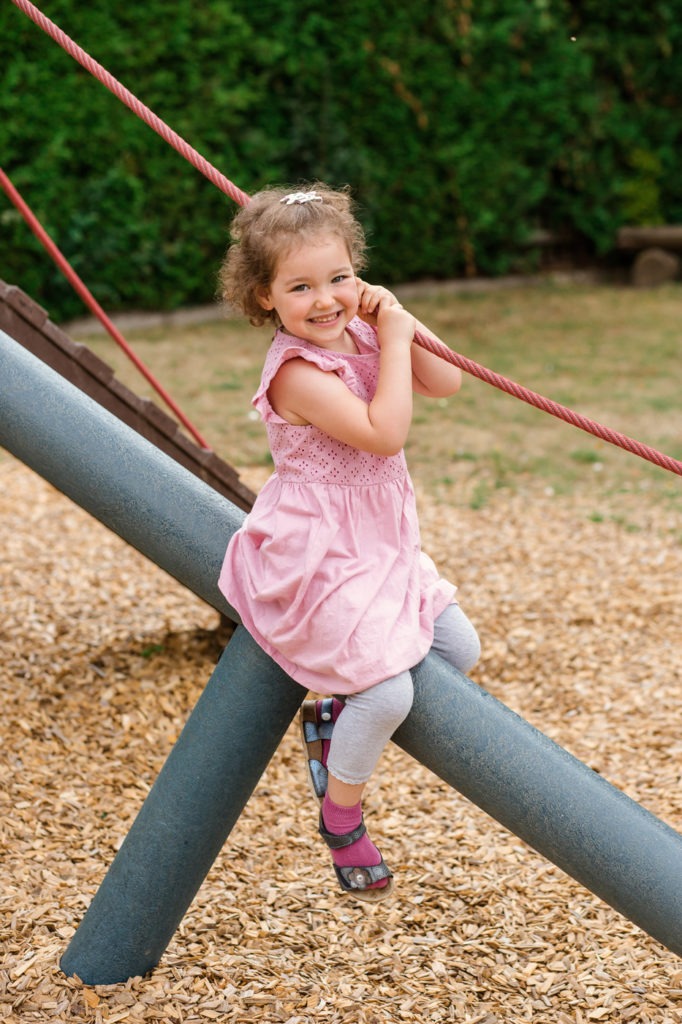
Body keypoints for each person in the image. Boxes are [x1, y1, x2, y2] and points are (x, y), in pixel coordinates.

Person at [218, 183, 480, 901]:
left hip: (379, 545)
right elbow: (384, 431)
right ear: (264, 296)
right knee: (390, 692)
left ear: (356, 270)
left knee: (460, 651)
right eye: (301, 286)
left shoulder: (360, 330)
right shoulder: (298, 372)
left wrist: (400, 320)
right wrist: (391, 344)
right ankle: (341, 817)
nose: (326, 299)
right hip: (321, 554)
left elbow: (447, 382)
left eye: (338, 277)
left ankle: (334, 712)